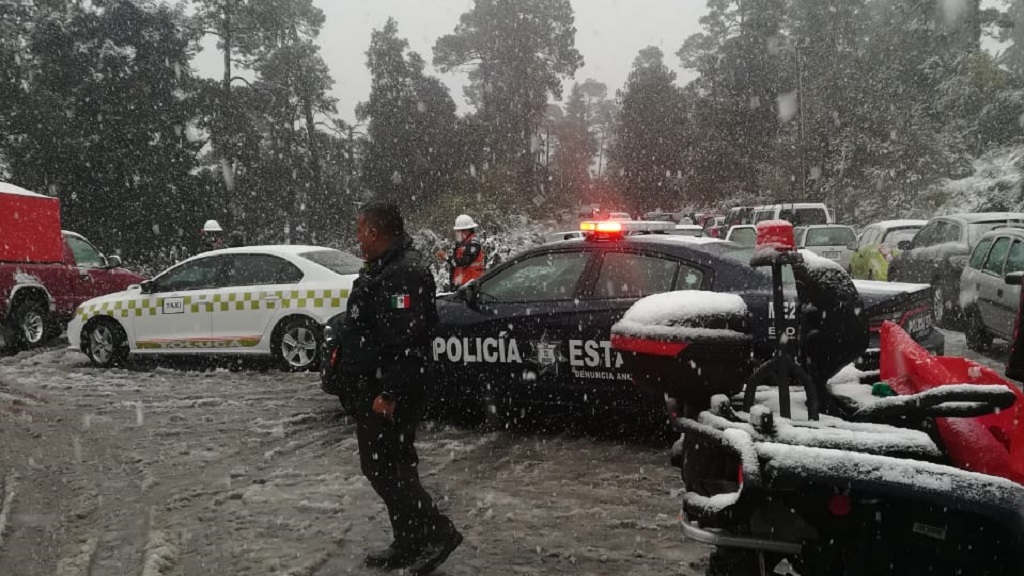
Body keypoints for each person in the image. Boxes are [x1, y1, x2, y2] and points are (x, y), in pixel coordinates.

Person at [337, 202, 462, 574]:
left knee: (384, 469)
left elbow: (408, 340)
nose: (357, 238)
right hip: (377, 384)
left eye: (360, 230)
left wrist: (389, 392)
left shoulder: (403, 273)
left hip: (390, 389)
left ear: (374, 232)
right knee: (396, 467)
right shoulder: (387, 267)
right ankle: (408, 541)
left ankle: (438, 533)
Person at [438, 214, 485, 289]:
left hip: (471, 285)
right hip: (462, 284)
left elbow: (464, 262)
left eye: (458, 231)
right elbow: (456, 265)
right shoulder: (462, 244)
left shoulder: (473, 243)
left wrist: (446, 258)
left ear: (466, 230)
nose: (457, 233)